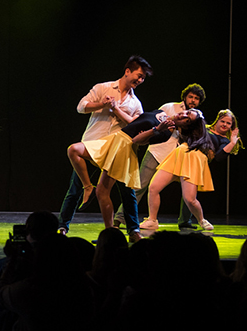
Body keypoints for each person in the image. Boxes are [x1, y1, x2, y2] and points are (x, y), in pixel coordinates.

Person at [58, 55, 152, 234]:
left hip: (117, 151)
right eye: (138, 75)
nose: (139, 80)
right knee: (75, 188)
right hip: (94, 144)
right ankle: (62, 226)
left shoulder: (135, 103)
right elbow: (81, 107)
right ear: (127, 71)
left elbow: (136, 125)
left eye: (142, 78)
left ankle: (133, 230)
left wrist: (117, 110)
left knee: (127, 192)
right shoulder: (103, 88)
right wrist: (101, 104)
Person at [66, 109, 179, 241]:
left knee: (104, 191)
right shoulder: (161, 112)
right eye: (185, 113)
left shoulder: (165, 133)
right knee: (73, 150)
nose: (183, 114)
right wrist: (115, 108)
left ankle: (112, 234)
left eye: (186, 118)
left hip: (124, 147)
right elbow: (133, 121)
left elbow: (137, 140)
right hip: (115, 138)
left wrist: (155, 129)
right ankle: (88, 187)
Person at [113, 83, 205, 227]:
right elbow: (153, 124)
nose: (193, 100)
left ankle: (185, 221)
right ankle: (120, 218)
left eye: (196, 98)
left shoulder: (197, 119)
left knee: (189, 189)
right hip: (158, 151)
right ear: (185, 97)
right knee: (140, 185)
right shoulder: (170, 107)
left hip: (177, 157)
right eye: (191, 97)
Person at [141, 109, 216, 231]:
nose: (184, 114)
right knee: (153, 187)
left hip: (191, 156)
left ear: (190, 124)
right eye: (188, 111)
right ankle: (152, 220)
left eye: (188, 116)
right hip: (178, 154)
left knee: (190, 199)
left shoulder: (191, 133)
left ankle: (202, 220)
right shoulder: (175, 120)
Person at [176, 109, 241, 229]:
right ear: (217, 120)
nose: (224, 125)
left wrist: (232, 143)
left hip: (196, 163)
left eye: (228, 123)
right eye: (223, 121)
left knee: (189, 195)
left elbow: (219, 157)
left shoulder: (224, 140)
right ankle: (151, 218)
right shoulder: (203, 128)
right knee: (156, 186)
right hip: (182, 155)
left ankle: (186, 221)